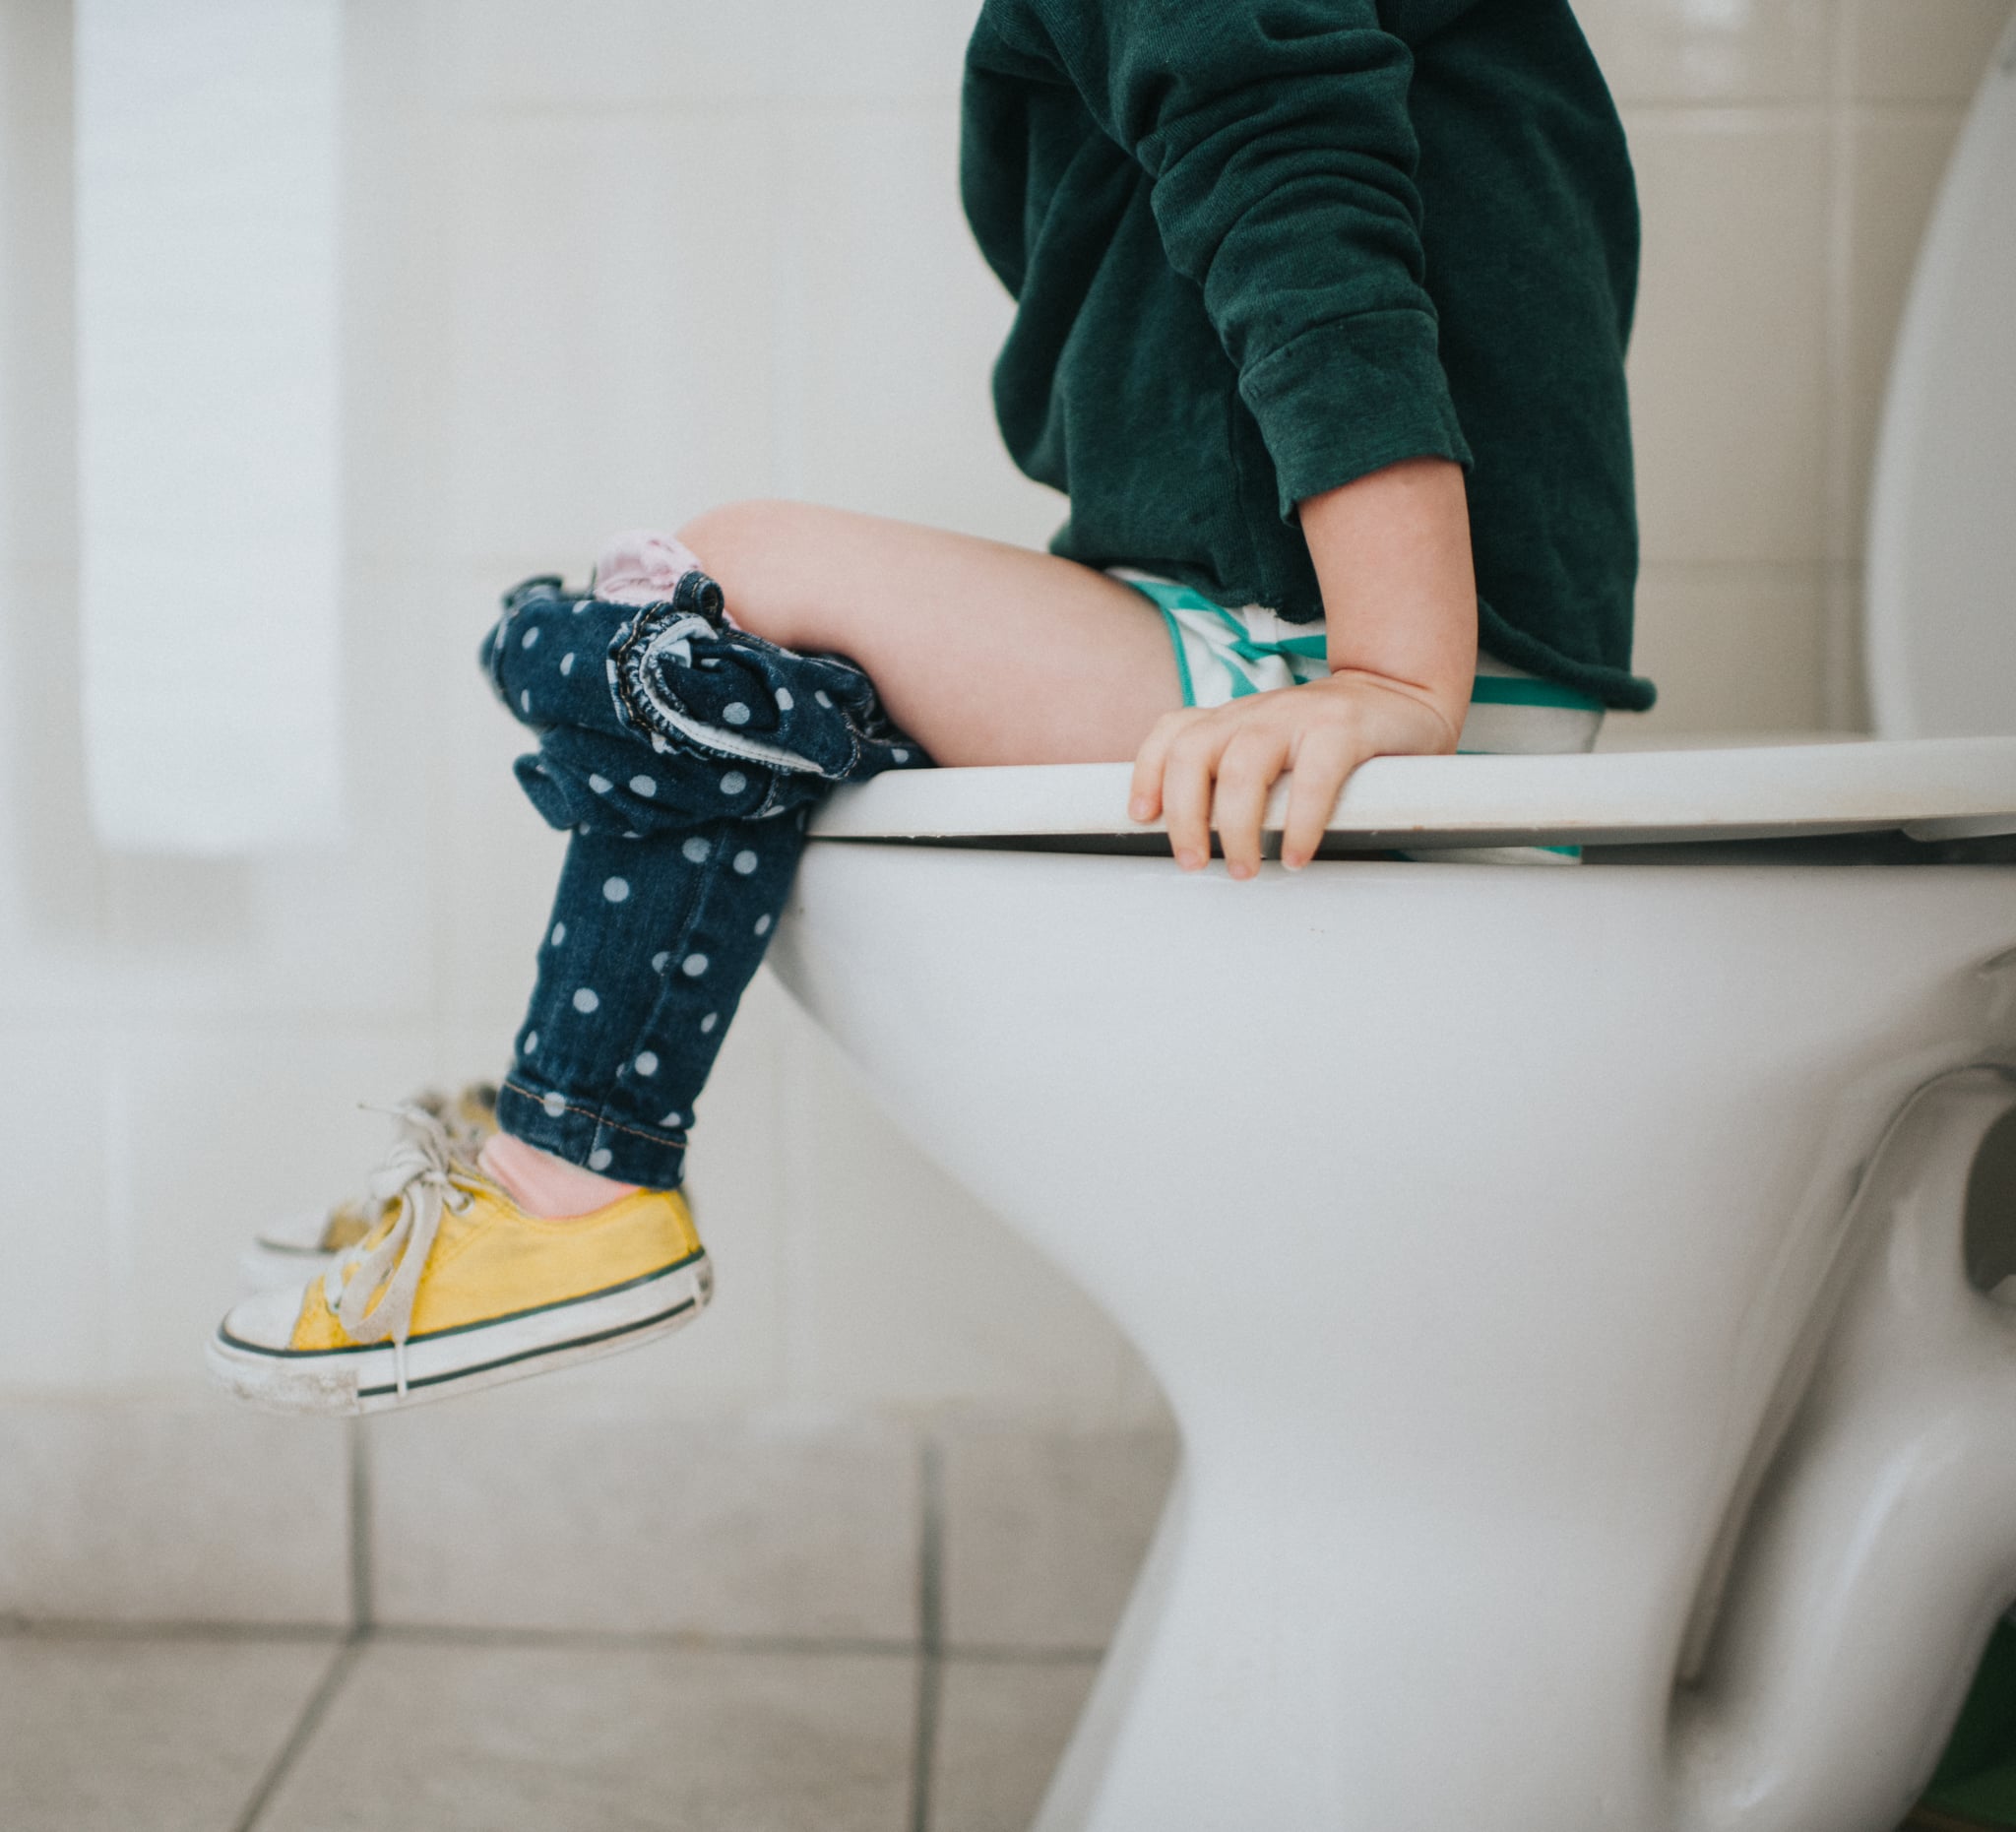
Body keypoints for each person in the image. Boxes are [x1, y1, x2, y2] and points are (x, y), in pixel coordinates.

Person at [207, 0, 1650, 1413]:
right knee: (736, 659)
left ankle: (569, 1172)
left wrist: (1393, 671)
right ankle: (552, 1152)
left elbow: (1287, 172)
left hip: (1341, 649)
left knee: (705, 588)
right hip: (1302, 626)